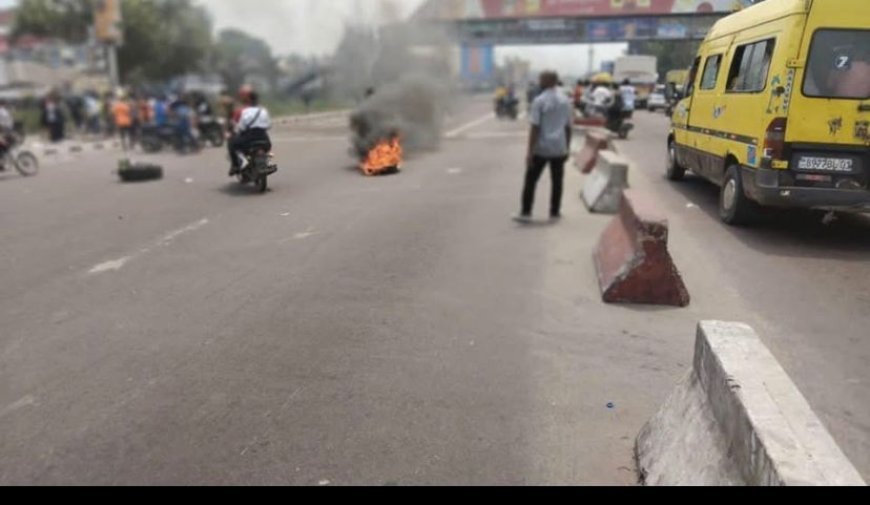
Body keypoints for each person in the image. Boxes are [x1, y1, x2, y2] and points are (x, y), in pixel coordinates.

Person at [515, 71, 573, 223]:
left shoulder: (539, 100)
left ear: (547, 81)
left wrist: (529, 151)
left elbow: (535, 127)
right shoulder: (565, 100)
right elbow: (568, 127)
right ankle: (555, 212)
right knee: (557, 182)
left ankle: (526, 212)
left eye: (541, 78)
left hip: (542, 147)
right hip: (559, 147)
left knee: (531, 180)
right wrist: (567, 147)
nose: (539, 81)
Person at [227, 89, 272, 176]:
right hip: (264, 139)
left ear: (248, 100)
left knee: (232, 144)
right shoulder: (263, 111)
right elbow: (269, 125)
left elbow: (241, 127)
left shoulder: (245, 111)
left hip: (248, 139)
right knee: (268, 148)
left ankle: (235, 166)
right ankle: (267, 161)